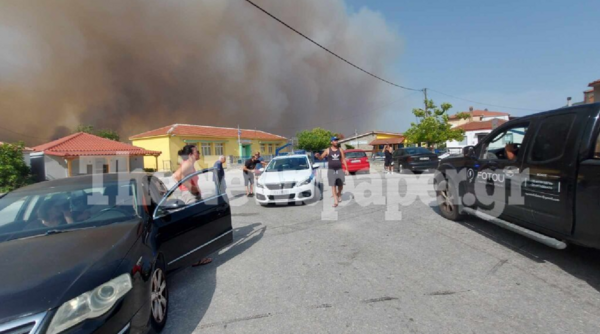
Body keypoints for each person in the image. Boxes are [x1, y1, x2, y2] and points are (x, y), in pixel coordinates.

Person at [173, 144, 211, 267]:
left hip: (189, 195)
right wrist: (192, 189)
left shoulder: (187, 163)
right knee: (195, 227)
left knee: (195, 226)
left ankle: (195, 256)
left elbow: (175, 176)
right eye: (197, 152)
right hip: (190, 196)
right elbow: (178, 177)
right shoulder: (188, 163)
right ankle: (196, 258)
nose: (199, 153)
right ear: (190, 154)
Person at [315, 136, 349, 207]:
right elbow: (321, 158)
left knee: (340, 185)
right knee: (333, 185)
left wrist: (346, 169)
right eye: (335, 140)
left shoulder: (340, 150)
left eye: (337, 140)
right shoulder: (328, 150)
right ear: (331, 142)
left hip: (339, 169)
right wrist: (318, 156)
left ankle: (339, 194)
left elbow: (343, 159)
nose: (336, 142)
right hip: (331, 170)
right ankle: (335, 200)